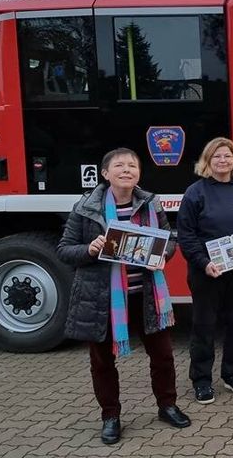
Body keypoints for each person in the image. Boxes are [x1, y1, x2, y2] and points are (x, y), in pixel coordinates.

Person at [57, 148, 190, 445]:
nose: (126, 170)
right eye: (119, 165)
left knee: (164, 356)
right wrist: (90, 249)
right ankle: (110, 416)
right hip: (102, 298)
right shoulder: (86, 208)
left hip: (146, 295)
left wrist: (162, 254)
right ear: (105, 173)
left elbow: (169, 239)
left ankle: (167, 405)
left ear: (139, 173)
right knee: (103, 362)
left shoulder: (150, 203)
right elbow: (65, 249)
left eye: (132, 165)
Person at [177, 137, 233, 405]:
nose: (222, 161)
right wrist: (204, 262)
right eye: (217, 156)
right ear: (207, 161)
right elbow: (186, 234)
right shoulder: (196, 192)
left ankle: (232, 373)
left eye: (227, 156)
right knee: (204, 325)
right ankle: (202, 379)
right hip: (207, 271)